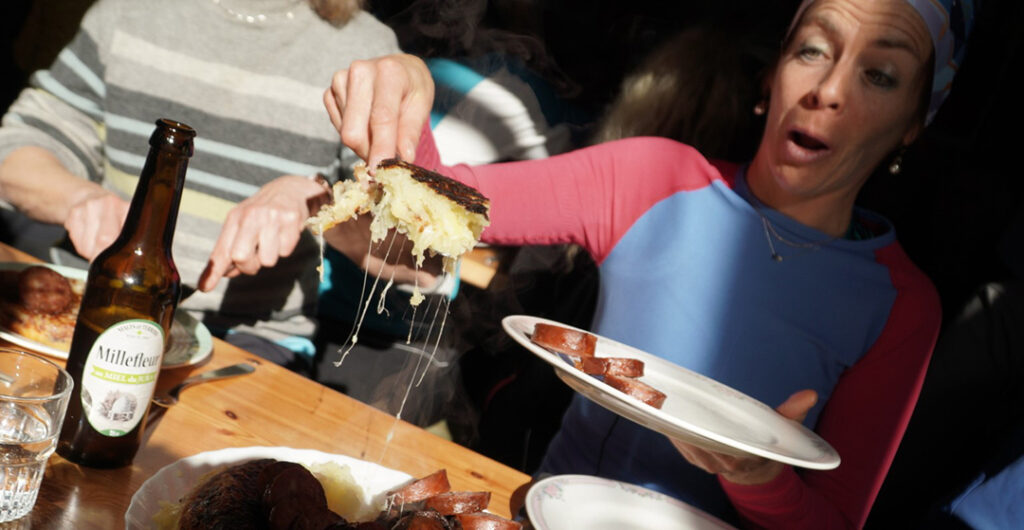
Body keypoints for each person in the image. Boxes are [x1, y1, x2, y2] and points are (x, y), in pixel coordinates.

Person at [322, 0, 977, 527]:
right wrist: (403, 77)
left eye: (880, 75)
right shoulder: (656, 178)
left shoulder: (900, 306)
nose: (828, 90)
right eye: (813, 49)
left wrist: (761, 480)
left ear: (912, 125)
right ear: (773, 74)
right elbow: (433, 198)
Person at [0, 0, 421, 364]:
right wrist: (79, 197)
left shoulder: (367, 52)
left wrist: (319, 203)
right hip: (88, 307)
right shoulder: (127, 11)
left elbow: (416, 257)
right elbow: (18, 147)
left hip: (247, 341)